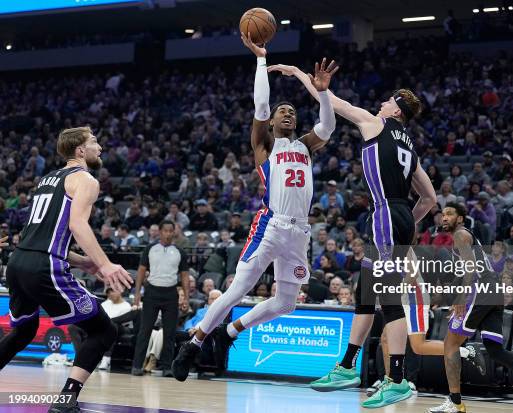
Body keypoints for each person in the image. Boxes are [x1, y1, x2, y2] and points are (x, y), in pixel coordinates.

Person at [270, 62, 483, 408]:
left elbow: (333, 102)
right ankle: (347, 365)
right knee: (365, 291)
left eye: (387, 101)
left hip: (385, 213)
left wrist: (301, 77)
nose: (382, 103)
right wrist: (408, 225)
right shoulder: (410, 147)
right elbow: (429, 198)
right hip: (398, 215)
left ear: (396, 108)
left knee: (386, 298)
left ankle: (396, 379)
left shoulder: (377, 123)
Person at [171, 37, 338, 382]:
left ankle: (230, 331)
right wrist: (262, 61)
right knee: (238, 289)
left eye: (293, 111)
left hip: (300, 232)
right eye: (283, 111)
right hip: (270, 225)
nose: (289, 113)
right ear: (273, 122)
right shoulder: (265, 145)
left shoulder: (305, 146)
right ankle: (194, 343)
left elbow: (328, 127)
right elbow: (261, 106)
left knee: (287, 303)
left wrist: (322, 92)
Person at [0, 127, 133, 413]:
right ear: (80, 151)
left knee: (24, 331)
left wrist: (84, 261)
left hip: (18, 262)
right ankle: (64, 403)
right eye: (95, 142)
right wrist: (106, 264)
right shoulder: (85, 179)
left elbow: (37, 237)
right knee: (103, 331)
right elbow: (77, 225)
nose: (100, 147)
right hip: (43, 268)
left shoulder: (47, 179)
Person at [429, 203, 513, 413]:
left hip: (480, 290)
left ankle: (455, 402)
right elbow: (465, 272)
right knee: (495, 350)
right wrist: (444, 295)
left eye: (450, 214)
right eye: (443, 214)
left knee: (450, 344)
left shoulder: (461, 235)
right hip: (492, 292)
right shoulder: (462, 239)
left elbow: (470, 271)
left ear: (460, 219)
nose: (444, 217)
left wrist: (461, 299)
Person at [132, 220, 190, 377]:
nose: (168, 234)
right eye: (165, 230)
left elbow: (185, 276)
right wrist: (137, 294)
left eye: (171, 231)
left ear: (174, 232)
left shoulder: (180, 252)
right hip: (151, 293)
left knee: (169, 333)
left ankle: (166, 367)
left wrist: (186, 298)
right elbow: (141, 271)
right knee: (145, 330)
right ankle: (137, 365)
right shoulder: (150, 249)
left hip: (171, 293)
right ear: (160, 232)